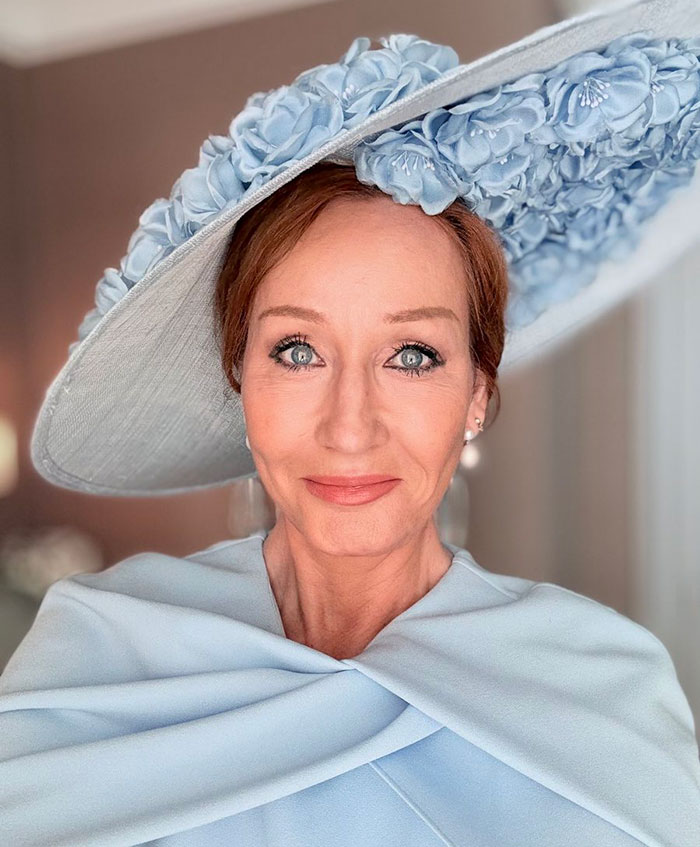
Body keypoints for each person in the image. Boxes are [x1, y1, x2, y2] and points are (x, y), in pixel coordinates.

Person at [3, 2, 700, 844]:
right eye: (298, 350)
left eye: (411, 354)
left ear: (478, 390)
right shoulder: (95, 653)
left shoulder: (603, 685)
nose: (349, 426)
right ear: (240, 376)